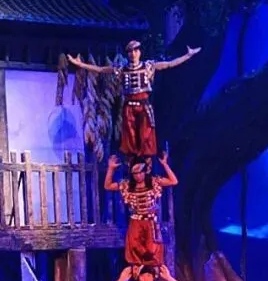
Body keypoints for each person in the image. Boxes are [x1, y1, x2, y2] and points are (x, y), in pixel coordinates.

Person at [68, 41, 201, 157]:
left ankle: (146, 160)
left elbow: (169, 64)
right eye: (130, 51)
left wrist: (188, 56)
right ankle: (131, 161)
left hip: (143, 105)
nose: (133, 54)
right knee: (130, 137)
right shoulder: (122, 69)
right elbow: (101, 69)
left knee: (145, 135)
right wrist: (80, 64)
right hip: (129, 107)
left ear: (139, 52)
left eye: (135, 51)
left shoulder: (148, 66)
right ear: (128, 54)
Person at [104, 152, 177, 266]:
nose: (138, 176)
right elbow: (108, 186)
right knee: (134, 248)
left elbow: (173, 181)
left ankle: (153, 272)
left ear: (145, 171)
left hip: (150, 221)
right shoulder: (127, 185)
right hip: (136, 221)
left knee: (152, 249)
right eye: (135, 173)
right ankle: (137, 272)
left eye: (140, 173)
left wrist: (165, 164)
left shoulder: (153, 182)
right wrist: (111, 168)